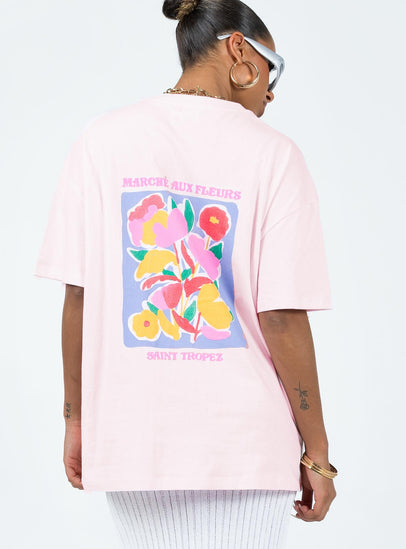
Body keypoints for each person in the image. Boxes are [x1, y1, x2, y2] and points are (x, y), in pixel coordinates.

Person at [33, 0, 337, 547]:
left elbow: (78, 295)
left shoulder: (101, 140)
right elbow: (282, 317)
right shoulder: (275, 156)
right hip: (245, 445)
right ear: (239, 49)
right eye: (272, 69)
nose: (271, 92)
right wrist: (317, 451)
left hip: (133, 441)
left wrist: (76, 420)